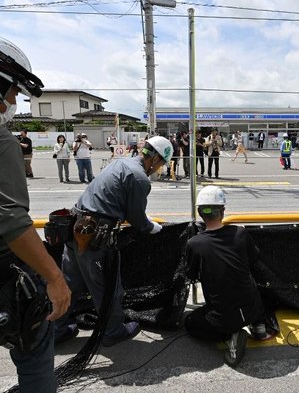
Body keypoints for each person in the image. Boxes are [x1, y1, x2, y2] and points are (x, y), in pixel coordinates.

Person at [0, 36, 71, 392]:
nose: (14, 101)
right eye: (13, 92)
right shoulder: (2, 140)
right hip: (4, 278)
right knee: (36, 350)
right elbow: (12, 222)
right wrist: (54, 278)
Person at [55, 136, 172, 347]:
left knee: (70, 283)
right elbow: (136, 217)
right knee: (108, 287)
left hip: (75, 227)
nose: (160, 168)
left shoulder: (121, 162)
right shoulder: (139, 179)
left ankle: (56, 329)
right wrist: (151, 227)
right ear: (154, 159)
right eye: (162, 163)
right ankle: (113, 331)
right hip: (94, 239)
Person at [185, 186, 274, 367]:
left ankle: (230, 335)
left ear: (200, 213)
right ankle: (259, 326)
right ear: (223, 211)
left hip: (222, 317)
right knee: (248, 283)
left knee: (190, 323)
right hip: (252, 308)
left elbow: (190, 275)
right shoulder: (240, 233)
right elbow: (253, 260)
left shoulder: (195, 244)